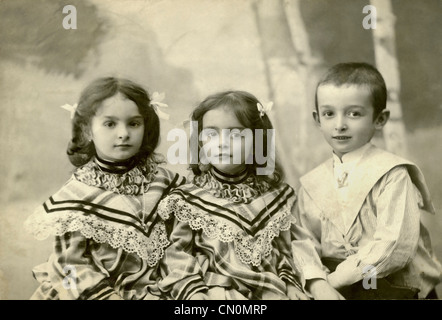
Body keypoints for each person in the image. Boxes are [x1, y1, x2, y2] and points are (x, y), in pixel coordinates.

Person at [155, 90, 343, 300]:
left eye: (235, 134)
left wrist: (291, 285)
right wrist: (193, 292)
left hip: (270, 290)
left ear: (258, 140)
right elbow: (176, 255)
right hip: (214, 291)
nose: (222, 143)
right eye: (211, 134)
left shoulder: (276, 197)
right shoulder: (187, 200)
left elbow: (285, 253)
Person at [24, 77, 185, 300]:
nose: (123, 134)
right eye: (110, 124)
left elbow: (183, 244)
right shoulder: (77, 195)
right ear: (87, 130)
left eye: (134, 123)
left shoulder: (164, 182)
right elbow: (70, 266)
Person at [293, 62, 442, 299]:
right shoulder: (312, 184)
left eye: (354, 113)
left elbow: (394, 245)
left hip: (387, 283)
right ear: (317, 119)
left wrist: (334, 281)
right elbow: (303, 241)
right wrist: (317, 283)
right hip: (330, 286)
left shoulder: (392, 174)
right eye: (329, 113)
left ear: (380, 119)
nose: (340, 124)